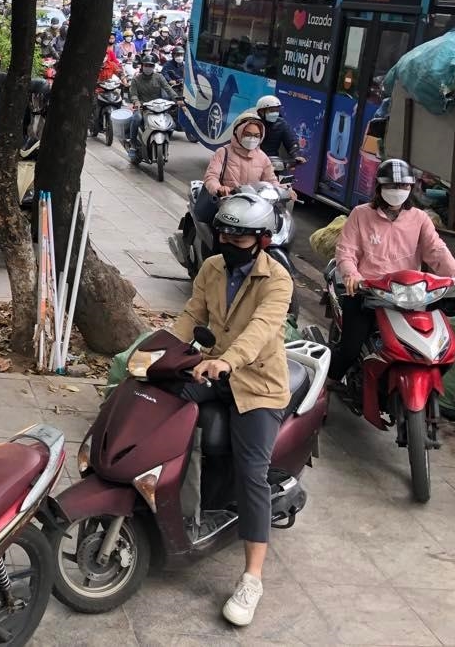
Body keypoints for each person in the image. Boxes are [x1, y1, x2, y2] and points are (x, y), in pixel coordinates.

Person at [172, 192, 293, 628]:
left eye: (239, 237)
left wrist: (226, 360)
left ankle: (252, 578)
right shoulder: (211, 267)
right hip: (211, 371)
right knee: (164, 412)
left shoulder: (278, 280)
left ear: (262, 239)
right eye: (223, 232)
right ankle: (180, 507)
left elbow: (261, 331)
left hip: (256, 384)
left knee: (252, 474)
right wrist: (159, 350)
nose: (228, 241)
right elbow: (190, 315)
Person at [330, 158, 455, 381]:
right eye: (391, 185)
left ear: (411, 188)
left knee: (437, 351)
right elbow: (346, 251)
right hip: (367, 294)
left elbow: (436, 250)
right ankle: (325, 388)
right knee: (350, 351)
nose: (398, 191)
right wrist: (352, 275)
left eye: (403, 186)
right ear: (379, 187)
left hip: (409, 296)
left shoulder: (420, 219)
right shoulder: (360, 214)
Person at [202, 114, 280, 200]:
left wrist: (283, 190)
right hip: (227, 202)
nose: (252, 139)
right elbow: (211, 176)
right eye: (247, 134)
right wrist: (218, 188)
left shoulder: (263, 157)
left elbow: (271, 180)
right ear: (238, 132)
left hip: (252, 205)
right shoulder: (223, 152)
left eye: (257, 136)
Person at [126, 53, 176, 153]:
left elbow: (168, 88)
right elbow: (133, 94)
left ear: (154, 67)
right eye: (146, 65)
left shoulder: (159, 77)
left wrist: (177, 98)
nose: (148, 67)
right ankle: (133, 144)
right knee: (136, 119)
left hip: (158, 107)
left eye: (151, 65)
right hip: (142, 108)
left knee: (170, 123)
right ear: (142, 66)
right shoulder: (136, 79)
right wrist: (136, 102)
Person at [254, 95, 304, 165]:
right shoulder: (253, 123)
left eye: (277, 110)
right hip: (253, 159)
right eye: (271, 110)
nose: (275, 113)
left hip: (272, 162)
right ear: (261, 111)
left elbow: (291, 141)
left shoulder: (281, 123)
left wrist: (296, 155)